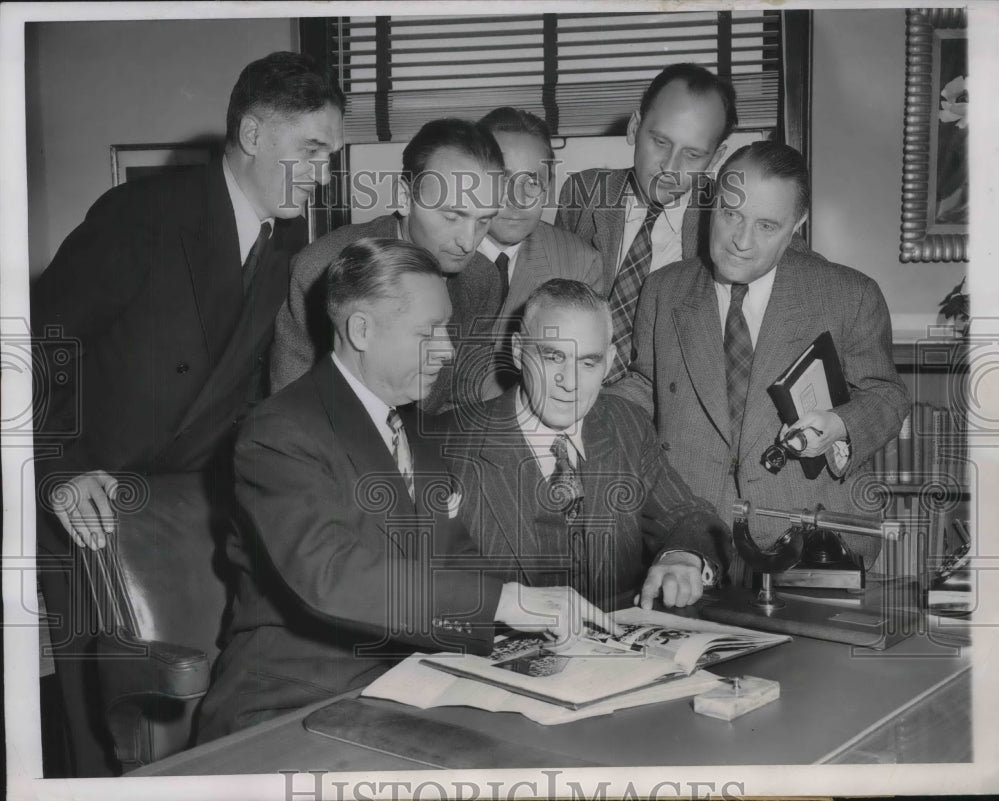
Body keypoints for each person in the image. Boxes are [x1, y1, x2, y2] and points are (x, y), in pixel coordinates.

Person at [29, 51, 342, 776]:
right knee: (102, 734)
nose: (324, 173)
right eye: (312, 151)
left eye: (332, 155)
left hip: (186, 509)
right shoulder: (141, 215)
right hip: (89, 505)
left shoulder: (282, 243)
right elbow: (36, 350)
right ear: (256, 134)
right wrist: (60, 472)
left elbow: (251, 389)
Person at [196, 240, 618, 741]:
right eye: (429, 332)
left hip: (410, 689)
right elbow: (335, 577)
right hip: (294, 705)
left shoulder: (415, 427)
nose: (447, 349)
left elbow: (456, 556)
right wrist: (503, 603)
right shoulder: (278, 433)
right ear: (361, 330)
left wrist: (532, 620)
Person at [611, 141, 910, 581]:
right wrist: (588, 411)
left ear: (797, 225)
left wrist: (840, 424)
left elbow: (887, 396)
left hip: (811, 537)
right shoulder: (663, 290)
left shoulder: (849, 295)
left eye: (767, 225)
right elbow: (647, 384)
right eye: (731, 215)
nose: (741, 241)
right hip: (692, 539)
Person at [443, 279, 730, 612]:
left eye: (588, 363)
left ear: (608, 362)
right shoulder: (451, 444)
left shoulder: (625, 425)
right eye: (552, 358)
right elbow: (419, 588)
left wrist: (683, 556)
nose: (570, 383)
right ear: (519, 351)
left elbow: (691, 516)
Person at [270, 117, 506, 412]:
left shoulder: (482, 279)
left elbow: (458, 401)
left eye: (484, 220)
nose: (468, 242)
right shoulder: (320, 267)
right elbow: (290, 412)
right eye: (452, 216)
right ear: (405, 198)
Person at [555, 63, 737, 383]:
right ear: (634, 127)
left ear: (716, 157)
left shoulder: (733, 215)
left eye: (693, 154)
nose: (670, 166)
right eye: (661, 142)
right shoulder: (583, 194)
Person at [474, 107, 604, 398]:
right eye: (501, 181)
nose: (517, 200)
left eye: (532, 182)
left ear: (548, 187)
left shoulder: (579, 265)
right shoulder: (434, 250)